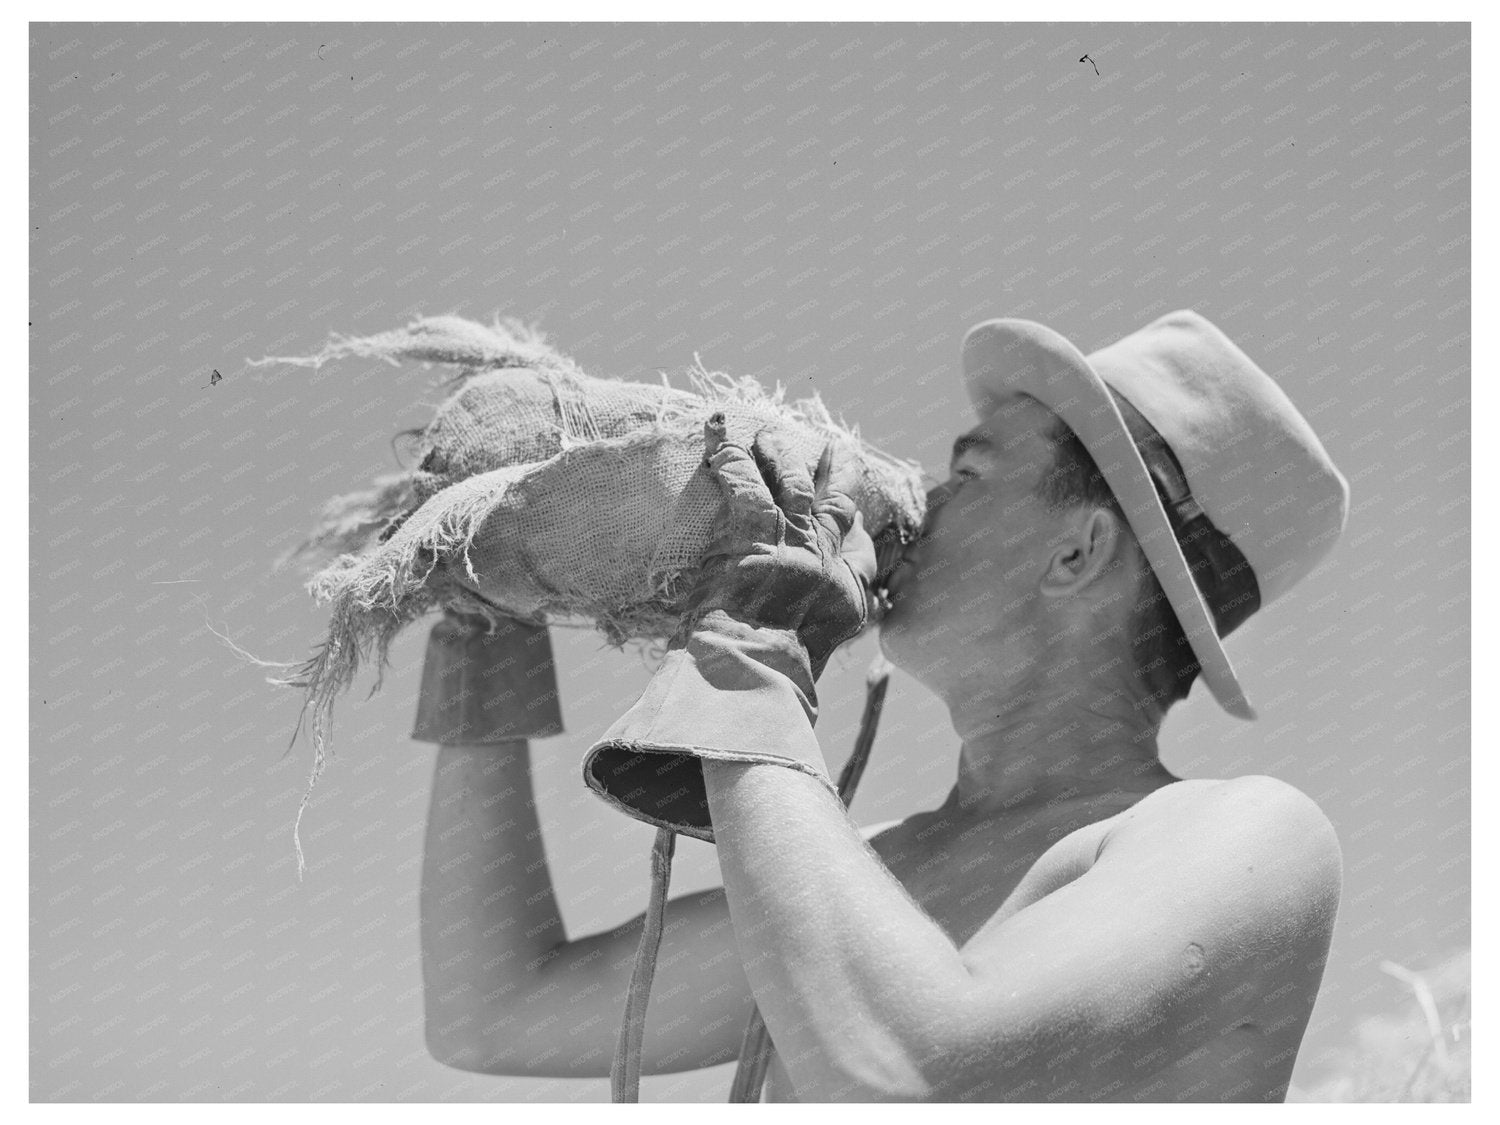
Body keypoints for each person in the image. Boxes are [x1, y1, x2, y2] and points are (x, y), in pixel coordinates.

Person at [416, 310, 1350, 1102]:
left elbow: (913, 1076)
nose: (922, 503)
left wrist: (755, 655)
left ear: (1079, 551)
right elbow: (495, 1006)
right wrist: (485, 612)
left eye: (968, 474)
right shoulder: (873, 866)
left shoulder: (1253, 838)